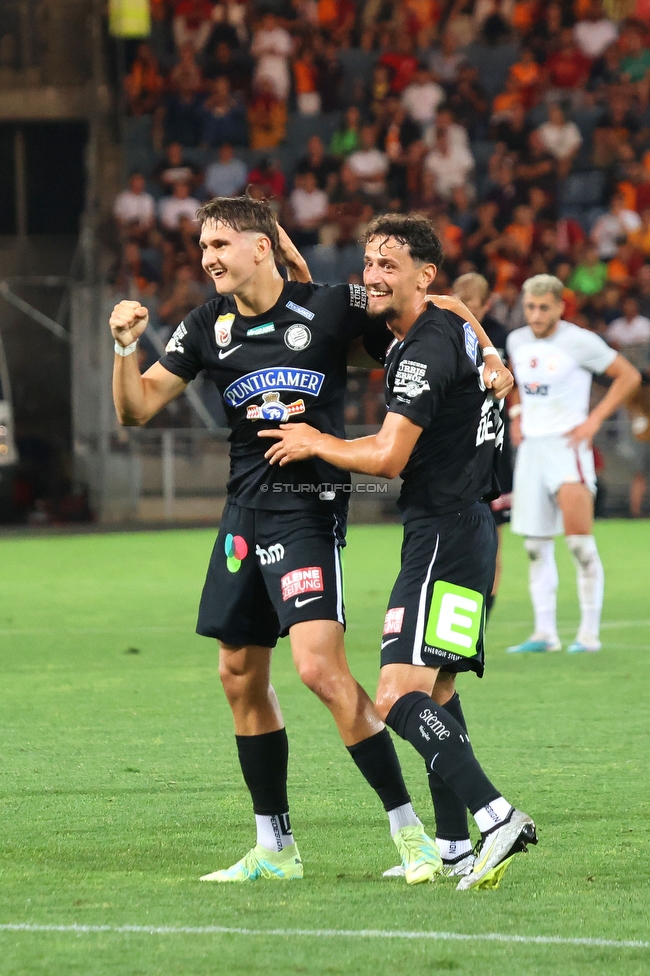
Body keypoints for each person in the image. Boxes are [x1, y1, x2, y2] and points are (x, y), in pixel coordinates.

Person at [110, 197, 447, 886]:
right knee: (238, 676)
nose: (207, 257)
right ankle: (275, 847)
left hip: (305, 509)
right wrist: (124, 346)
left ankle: (411, 836)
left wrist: (491, 355)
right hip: (243, 515)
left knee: (321, 671)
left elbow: (426, 311)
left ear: (262, 247)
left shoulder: (329, 306)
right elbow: (136, 408)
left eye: (221, 243)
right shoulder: (206, 324)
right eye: (202, 245)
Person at [260, 213, 537, 891]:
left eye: (390, 266)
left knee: (392, 695)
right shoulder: (436, 321)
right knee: (438, 691)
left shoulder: (422, 353)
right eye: (370, 264)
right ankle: (451, 847)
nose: (374, 277)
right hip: (466, 529)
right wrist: (492, 352)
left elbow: (386, 457)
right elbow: (453, 305)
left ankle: (496, 814)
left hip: (442, 533)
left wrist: (313, 440)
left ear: (423, 274)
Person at [505, 275, 641, 655]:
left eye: (544, 307)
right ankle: (545, 634)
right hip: (532, 451)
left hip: (568, 449)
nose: (536, 314)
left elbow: (628, 376)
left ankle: (588, 635)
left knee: (580, 545)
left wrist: (595, 419)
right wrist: (516, 413)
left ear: (560, 306)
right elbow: (515, 381)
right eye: (530, 307)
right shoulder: (517, 341)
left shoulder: (579, 341)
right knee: (534, 545)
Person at [452, 273, 513, 618]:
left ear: (487, 305)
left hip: (495, 448)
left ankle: (481, 620)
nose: (465, 311)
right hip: (458, 447)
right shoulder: (445, 333)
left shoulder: (504, 337)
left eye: (472, 305)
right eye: (460, 303)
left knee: (492, 541)